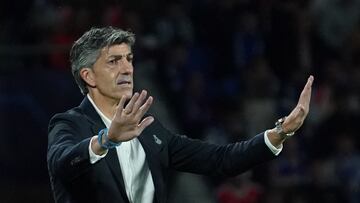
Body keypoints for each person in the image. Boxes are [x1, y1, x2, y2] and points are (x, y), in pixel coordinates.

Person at [47, 26, 314, 203]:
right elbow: (63, 162)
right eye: (114, 61)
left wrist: (281, 132)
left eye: (129, 59)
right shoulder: (69, 125)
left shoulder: (149, 129)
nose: (127, 68)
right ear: (88, 76)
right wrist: (106, 140)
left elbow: (220, 160)